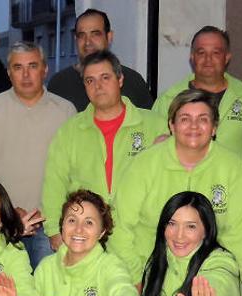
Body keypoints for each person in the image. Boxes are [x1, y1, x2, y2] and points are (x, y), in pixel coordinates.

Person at [109, 89, 242, 281]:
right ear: (172, 125)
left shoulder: (233, 168)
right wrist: (135, 279)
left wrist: (223, 284)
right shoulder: (144, 164)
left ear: (214, 127)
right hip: (148, 274)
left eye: (203, 119)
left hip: (209, 277)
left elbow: (239, 237)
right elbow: (119, 227)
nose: (194, 126)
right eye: (185, 119)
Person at [42, 50, 168, 252]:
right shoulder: (70, 131)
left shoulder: (155, 126)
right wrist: (54, 232)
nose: (98, 86)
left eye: (105, 78)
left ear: (120, 80)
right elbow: (54, 184)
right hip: (87, 240)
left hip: (141, 238)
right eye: (90, 81)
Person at [0, 41, 76, 268]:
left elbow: (73, 168)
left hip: (49, 224)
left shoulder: (65, 111)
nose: (26, 74)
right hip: (2, 222)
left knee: (45, 295)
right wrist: (8, 209)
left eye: (33, 66)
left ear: (45, 69)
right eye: (18, 68)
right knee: (3, 291)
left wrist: (53, 215)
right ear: (9, 73)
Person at [152, 26, 242, 162]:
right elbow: (153, 152)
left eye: (216, 53)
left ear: (227, 57)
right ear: (192, 57)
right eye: (201, 53)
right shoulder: (169, 99)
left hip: (231, 182)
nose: (208, 59)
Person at [48, 8, 153, 111]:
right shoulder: (59, 84)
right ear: (76, 40)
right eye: (82, 35)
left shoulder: (133, 81)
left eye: (95, 34)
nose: (88, 42)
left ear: (109, 37)